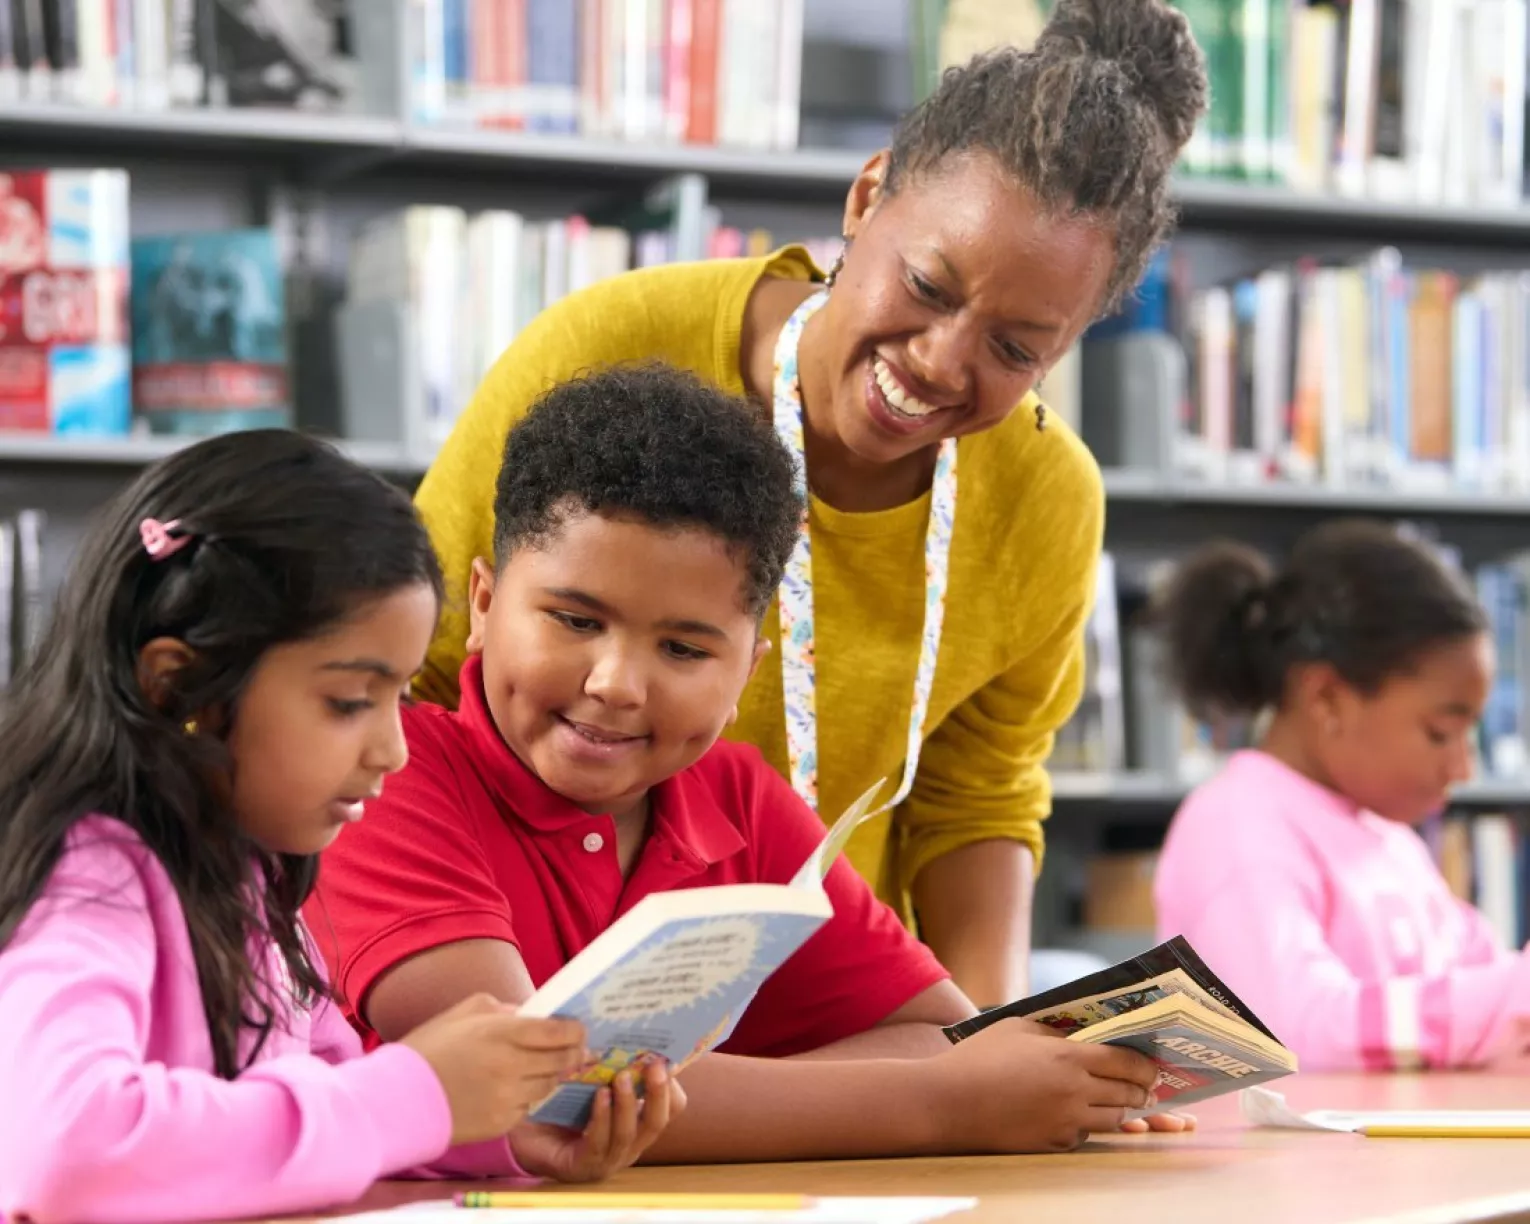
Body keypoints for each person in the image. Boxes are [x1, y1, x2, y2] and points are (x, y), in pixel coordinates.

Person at [411, 0, 1209, 1006]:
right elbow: (418, 673)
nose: (939, 362)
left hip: (826, 1020)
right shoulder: (611, 347)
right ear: (868, 195)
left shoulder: (1045, 497)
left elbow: (978, 801)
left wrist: (991, 1056)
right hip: (519, 978)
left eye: (1017, 349)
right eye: (927, 284)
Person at [310, 363, 1187, 1165]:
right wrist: (952, 1104)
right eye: (575, 621)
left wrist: (979, 1085)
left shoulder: (739, 799)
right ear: (484, 602)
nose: (616, 685)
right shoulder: (387, 774)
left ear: (748, 672)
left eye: (685, 650)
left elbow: (942, 1038)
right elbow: (530, 1089)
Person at [0, 432, 681, 1224]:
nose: (392, 749)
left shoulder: (251, 878)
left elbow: (316, 1110)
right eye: (350, 701)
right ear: (178, 685)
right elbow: (68, 1154)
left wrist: (496, 1134)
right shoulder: (88, 872)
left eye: (397, 697)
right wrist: (415, 1093)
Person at [1151, 519, 1530, 1071]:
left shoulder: (1390, 840)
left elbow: (1486, 984)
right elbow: (1286, 1034)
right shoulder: (1237, 824)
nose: (1463, 767)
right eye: (1440, 733)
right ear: (1326, 697)